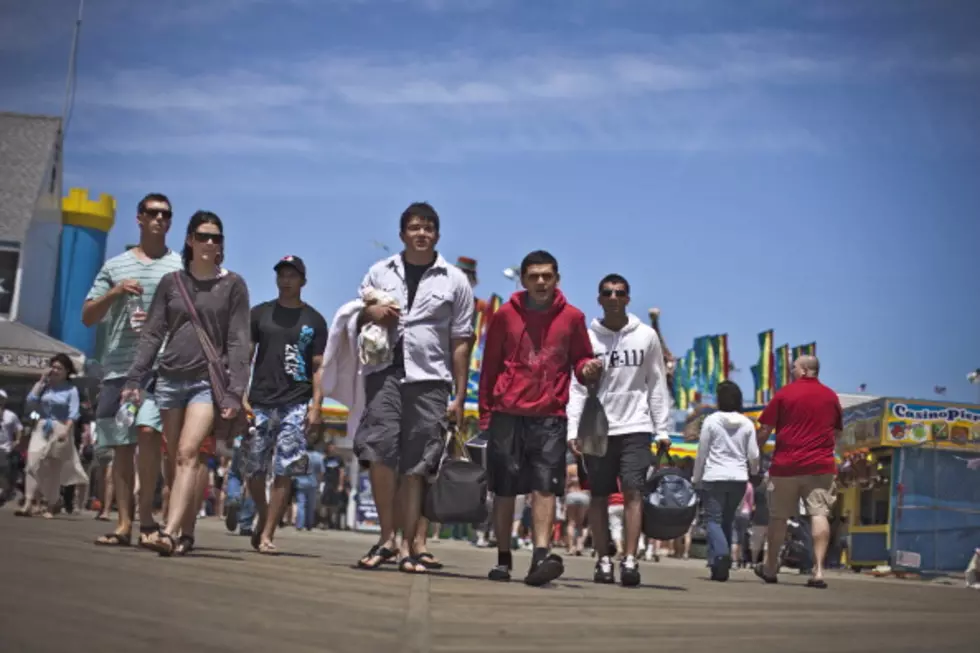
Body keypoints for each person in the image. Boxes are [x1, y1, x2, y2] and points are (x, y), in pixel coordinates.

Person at [353, 202, 474, 574]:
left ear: (437, 234)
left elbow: (460, 339)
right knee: (379, 452)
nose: (421, 233)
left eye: (428, 228)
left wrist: (459, 394)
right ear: (402, 233)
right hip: (384, 372)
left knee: (419, 463)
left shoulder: (454, 280)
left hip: (431, 379)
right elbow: (356, 317)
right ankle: (387, 538)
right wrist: (368, 313)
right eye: (414, 227)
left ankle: (410, 545)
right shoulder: (379, 272)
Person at [122, 211, 250, 557]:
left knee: (188, 453)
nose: (210, 242)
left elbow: (239, 340)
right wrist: (136, 377)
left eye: (217, 237)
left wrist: (236, 391)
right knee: (174, 460)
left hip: (206, 382)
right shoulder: (172, 283)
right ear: (190, 240)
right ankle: (186, 529)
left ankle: (169, 530)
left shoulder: (233, 285)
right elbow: (152, 334)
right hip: (169, 379)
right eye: (204, 236)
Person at [479, 250, 600, 586]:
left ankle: (540, 558)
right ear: (523, 280)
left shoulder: (573, 317)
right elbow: (489, 366)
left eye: (547, 275)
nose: (541, 282)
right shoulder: (504, 315)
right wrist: (485, 414)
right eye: (534, 276)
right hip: (507, 411)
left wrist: (587, 369)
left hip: (550, 415)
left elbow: (581, 360)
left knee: (544, 488)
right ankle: (503, 559)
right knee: (504, 490)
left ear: (557, 278)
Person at [83, 193, 182, 546]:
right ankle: (124, 524)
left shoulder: (179, 267)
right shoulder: (115, 266)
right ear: (139, 217)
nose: (159, 219)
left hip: (159, 367)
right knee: (121, 445)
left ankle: (148, 519)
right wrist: (116, 292)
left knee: (148, 432)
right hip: (119, 369)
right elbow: (88, 315)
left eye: (166, 214)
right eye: (153, 213)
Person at [566, 273, 671, 586]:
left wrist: (662, 428)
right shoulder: (588, 338)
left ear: (628, 298)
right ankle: (602, 560)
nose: (613, 297)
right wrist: (573, 430)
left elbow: (656, 382)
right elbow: (577, 386)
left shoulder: (646, 336)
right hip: (597, 428)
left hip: (636, 425)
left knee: (632, 492)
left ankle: (630, 559)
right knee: (598, 496)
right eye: (607, 293)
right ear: (599, 299)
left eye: (619, 293)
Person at [242, 255, 327, 553]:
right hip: (260, 400)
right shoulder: (259, 314)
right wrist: (240, 394)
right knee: (252, 468)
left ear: (303, 281)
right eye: (282, 274)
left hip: (296, 401)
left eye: (293, 275)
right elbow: (246, 358)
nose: (286, 280)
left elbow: (318, 368)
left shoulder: (314, 320)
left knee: (286, 468)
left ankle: (267, 534)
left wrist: (317, 406)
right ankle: (264, 513)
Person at [755, 355, 842, 588]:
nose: (791, 371)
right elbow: (837, 433)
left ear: (804, 370)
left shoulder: (784, 394)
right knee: (819, 513)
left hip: (785, 466)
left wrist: (755, 451)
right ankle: (819, 571)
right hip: (820, 466)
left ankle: (771, 568)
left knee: (778, 517)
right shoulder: (831, 396)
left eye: (794, 367)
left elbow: (765, 429)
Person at [692, 380, 759, 581]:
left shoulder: (711, 421)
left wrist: (696, 477)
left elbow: (702, 452)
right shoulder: (747, 423)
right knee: (727, 521)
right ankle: (718, 566)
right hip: (739, 478)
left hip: (714, 476)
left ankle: (721, 555)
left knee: (713, 520)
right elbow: (754, 454)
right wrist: (754, 471)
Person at [15, 355, 88, 517]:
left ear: (67, 371)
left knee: (53, 468)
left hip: (61, 428)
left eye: (59, 368)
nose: (55, 371)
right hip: (42, 426)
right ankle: (28, 502)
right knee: (32, 462)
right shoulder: (45, 387)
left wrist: (66, 430)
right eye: (53, 367)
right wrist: (40, 382)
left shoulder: (71, 390)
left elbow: (74, 413)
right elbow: (30, 401)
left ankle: (51, 504)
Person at [0, 389, 23, 504]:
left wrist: (17, 440)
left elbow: (18, 428)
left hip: (5, 448)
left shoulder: (11, 415)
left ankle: (5, 492)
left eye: (1, 399)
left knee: (4, 470)